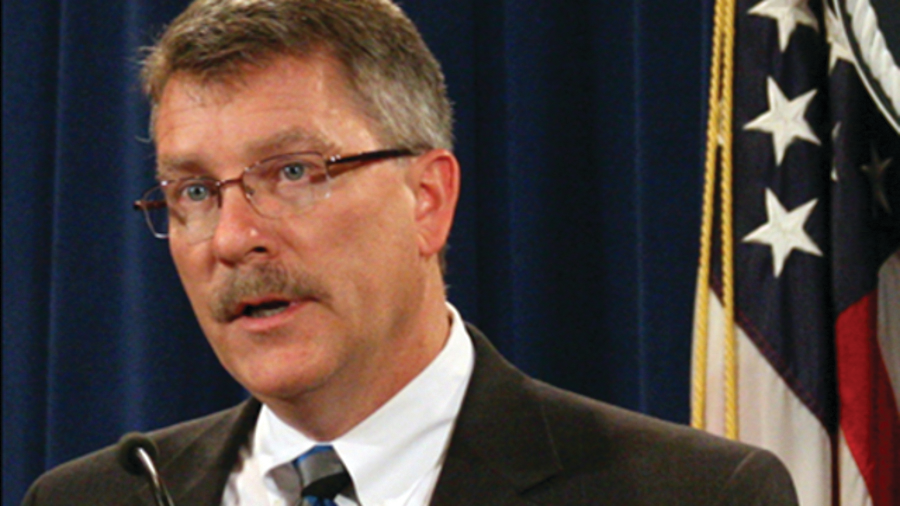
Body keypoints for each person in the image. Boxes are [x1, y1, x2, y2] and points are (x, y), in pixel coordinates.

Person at [22, 1, 799, 505]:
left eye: (293, 173)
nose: (231, 238)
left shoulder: (693, 496)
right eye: (195, 192)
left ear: (427, 200)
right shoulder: (95, 500)